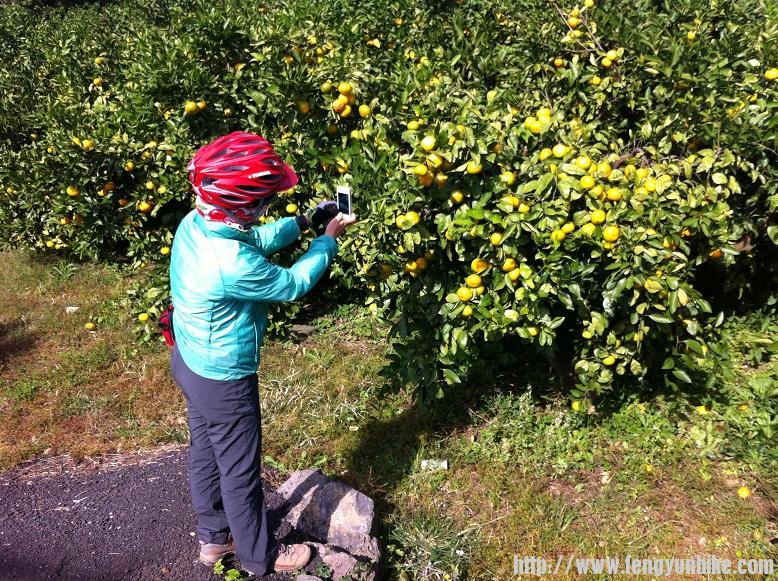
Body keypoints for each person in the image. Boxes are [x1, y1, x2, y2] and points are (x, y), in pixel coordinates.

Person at [168, 131, 356, 576]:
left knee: (207, 452)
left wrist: (306, 222)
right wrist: (327, 241)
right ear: (243, 205)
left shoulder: (197, 223)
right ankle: (259, 557)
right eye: (264, 202)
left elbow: (249, 240)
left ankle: (213, 538)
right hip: (224, 379)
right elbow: (290, 284)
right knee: (240, 472)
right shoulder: (229, 263)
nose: (267, 209)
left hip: (191, 360)